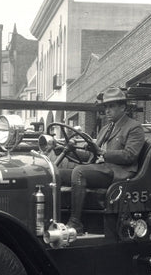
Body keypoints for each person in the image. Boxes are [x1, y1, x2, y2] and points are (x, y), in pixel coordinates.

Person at [60, 85, 145, 235]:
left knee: (79, 172)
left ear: (122, 107)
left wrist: (104, 153)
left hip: (119, 172)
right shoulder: (105, 129)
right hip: (102, 169)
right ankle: (57, 218)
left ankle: (75, 223)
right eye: (106, 107)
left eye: (111, 106)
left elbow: (130, 155)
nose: (107, 111)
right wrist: (68, 151)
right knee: (56, 173)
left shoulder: (134, 127)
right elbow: (93, 156)